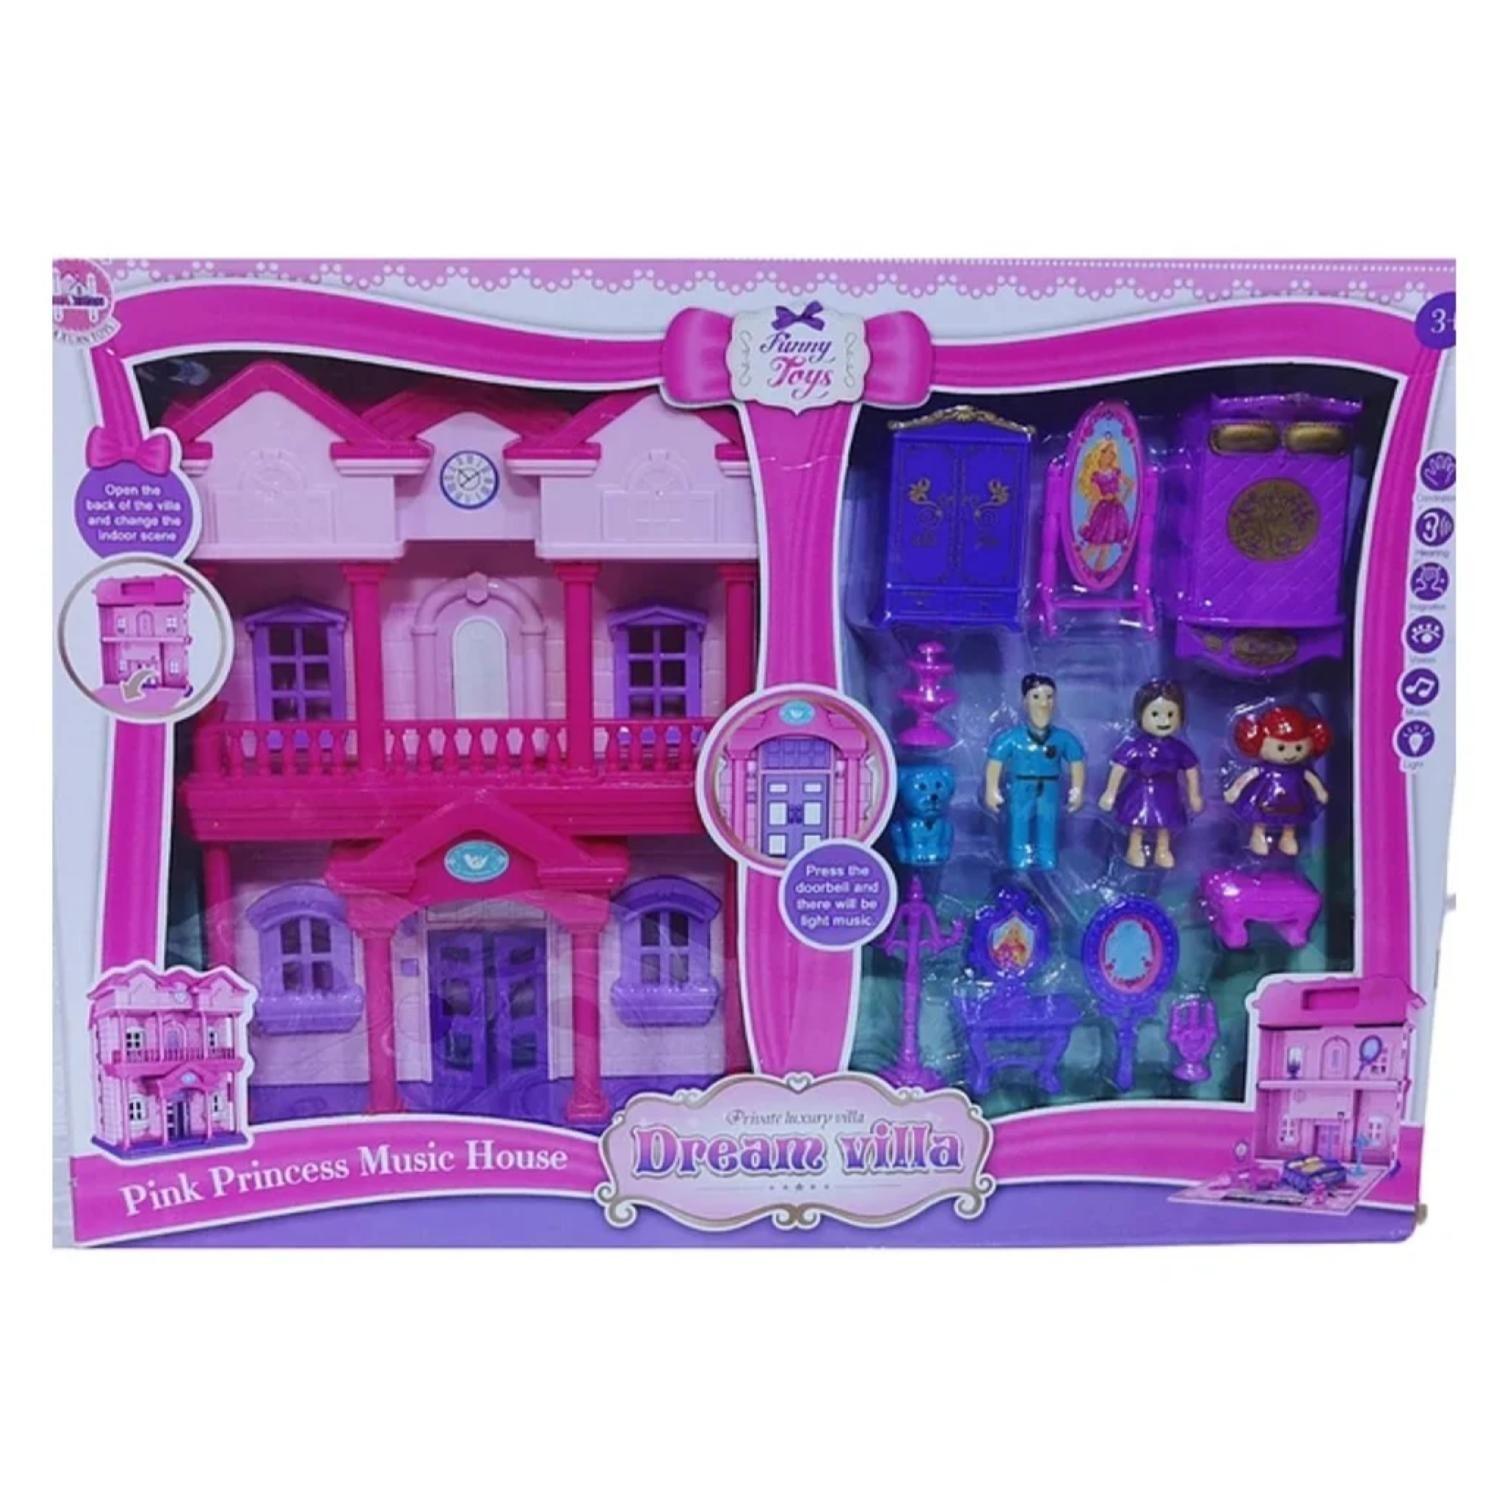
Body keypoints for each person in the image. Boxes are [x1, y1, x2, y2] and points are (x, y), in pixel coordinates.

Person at [983, 674, 1086, 871]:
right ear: (1025, 702)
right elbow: (995, 760)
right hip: (1021, 787)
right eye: (1036, 697)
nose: (1043, 703)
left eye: (1049, 697)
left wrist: (1078, 790)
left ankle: (1047, 855)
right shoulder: (1012, 738)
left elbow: (1076, 761)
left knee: (1048, 822)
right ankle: (1019, 855)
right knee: (1019, 821)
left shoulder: (1063, 738)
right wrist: (992, 789)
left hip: (1050, 787)